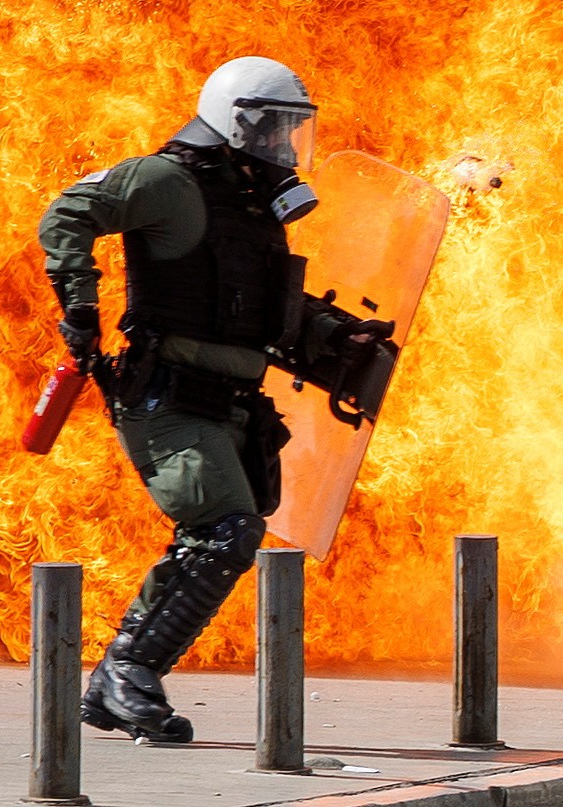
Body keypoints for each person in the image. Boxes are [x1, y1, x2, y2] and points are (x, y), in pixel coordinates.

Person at [38, 56, 385, 743]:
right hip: (167, 396)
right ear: (237, 120)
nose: (286, 144)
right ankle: (131, 668)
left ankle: (115, 677)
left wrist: (332, 337)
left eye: (294, 129)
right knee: (226, 530)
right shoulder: (168, 180)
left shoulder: (254, 209)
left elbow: (255, 309)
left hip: (229, 402)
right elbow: (66, 214)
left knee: (212, 536)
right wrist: (81, 308)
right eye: (275, 126)